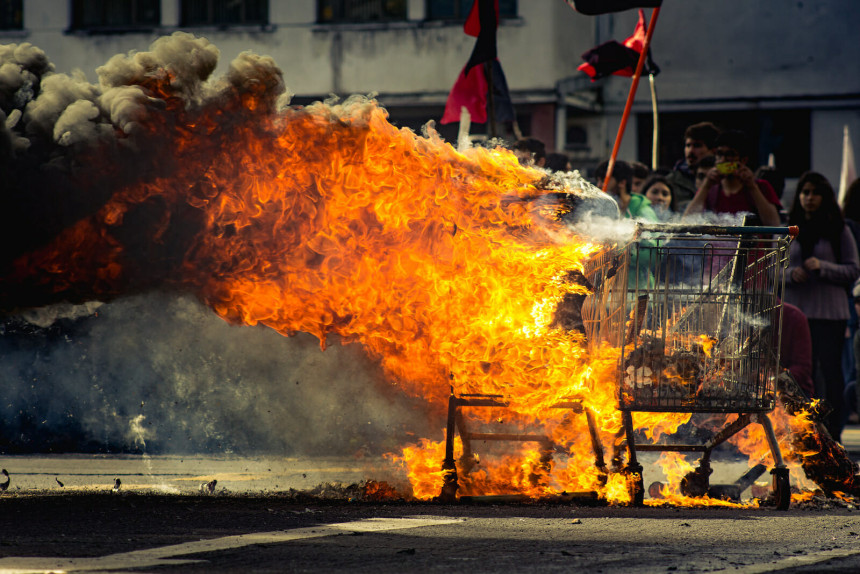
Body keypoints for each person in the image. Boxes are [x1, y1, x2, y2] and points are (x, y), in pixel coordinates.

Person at [784, 171, 860, 443]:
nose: (809, 198)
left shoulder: (840, 229)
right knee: (797, 375)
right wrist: (791, 274)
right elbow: (771, 271)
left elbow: (853, 270)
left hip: (830, 314)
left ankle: (832, 432)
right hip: (797, 314)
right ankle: (799, 431)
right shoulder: (788, 228)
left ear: (824, 197)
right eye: (805, 193)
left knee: (830, 373)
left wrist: (823, 267)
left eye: (815, 193)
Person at [682, 130, 781, 226]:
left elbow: (773, 224)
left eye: (730, 155)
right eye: (720, 154)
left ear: (743, 160)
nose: (723, 160)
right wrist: (706, 186)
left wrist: (752, 187)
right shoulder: (710, 189)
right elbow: (687, 223)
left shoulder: (761, 187)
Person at [666, 121, 721, 209]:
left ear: (713, 150)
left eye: (697, 145)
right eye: (688, 145)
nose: (690, 151)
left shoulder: (724, 178)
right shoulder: (672, 180)